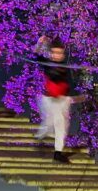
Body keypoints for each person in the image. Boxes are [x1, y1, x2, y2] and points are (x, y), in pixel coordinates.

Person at [32, 35, 76, 164]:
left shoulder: (66, 67)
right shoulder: (47, 64)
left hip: (62, 99)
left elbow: (70, 83)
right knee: (49, 123)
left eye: (59, 53)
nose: (57, 55)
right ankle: (41, 135)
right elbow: (35, 55)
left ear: (63, 54)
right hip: (49, 99)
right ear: (51, 53)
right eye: (54, 53)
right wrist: (39, 43)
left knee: (62, 125)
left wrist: (74, 96)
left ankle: (58, 153)